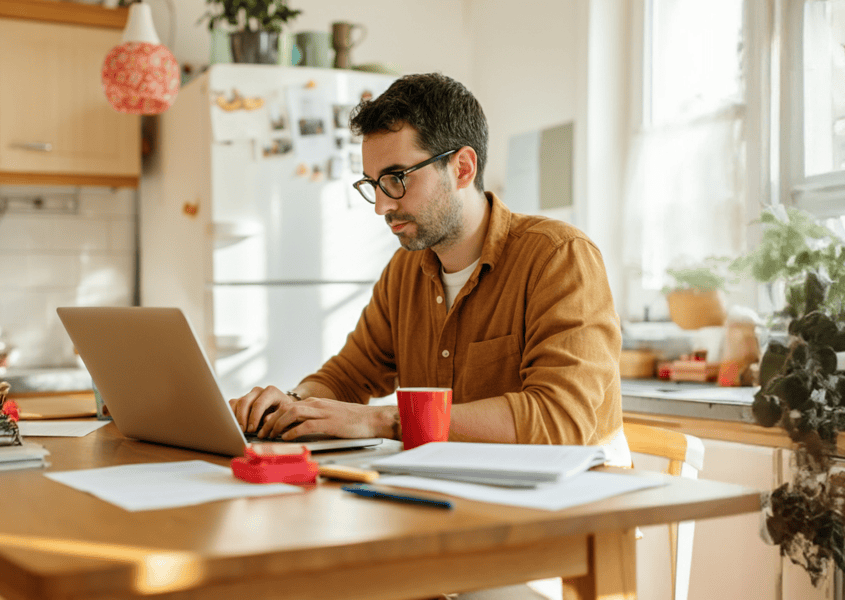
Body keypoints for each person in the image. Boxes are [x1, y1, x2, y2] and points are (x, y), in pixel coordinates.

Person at [228, 73, 628, 464]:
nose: (382, 206)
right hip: (453, 495)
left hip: (570, 507)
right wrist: (292, 405)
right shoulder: (405, 271)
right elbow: (348, 376)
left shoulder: (558, 257)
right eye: (373, 184)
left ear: (462, 168)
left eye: (396, 178)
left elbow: (560, 420)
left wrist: (385, 420)